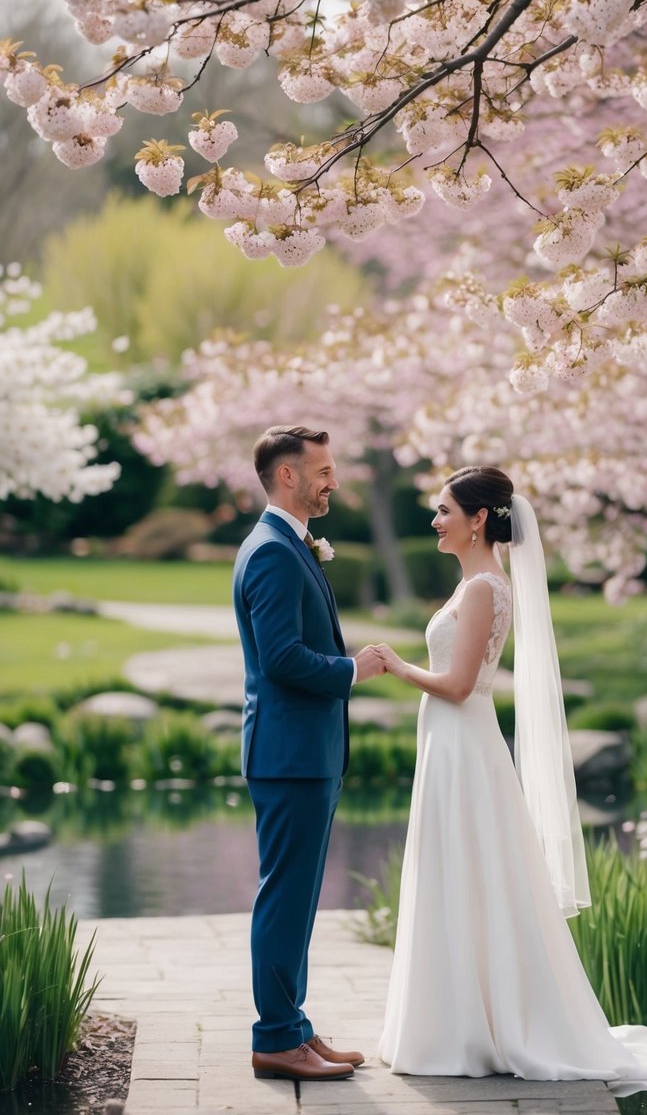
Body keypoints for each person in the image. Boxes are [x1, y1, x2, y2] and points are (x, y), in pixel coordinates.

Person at [374, 466, 647, 1083]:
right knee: (458, 872)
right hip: (452, 747)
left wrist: (396, 665)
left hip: (463, 745)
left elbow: (462, 687)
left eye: (443, 511)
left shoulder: (486, 586)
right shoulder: (477, 585)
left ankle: (472, 1029)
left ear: (479, 519)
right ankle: (453, 1022)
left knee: (468, 871)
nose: (435, 522)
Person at [232, 425, 385, 1082]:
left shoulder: (289, 545)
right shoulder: (269, 551)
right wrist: (353, 670)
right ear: (287, 477)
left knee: (297, 898)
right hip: (289, 753)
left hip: (305, 751)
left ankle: (292, 1025)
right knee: (285, 898)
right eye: (322, 470)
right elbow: (282, 659)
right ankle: (274, 1038)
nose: (333, 480)